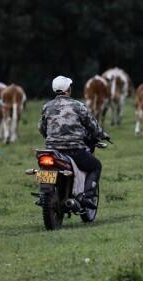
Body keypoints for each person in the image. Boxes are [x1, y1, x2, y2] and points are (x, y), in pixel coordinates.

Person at [38, 75, 107, 208]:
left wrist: (50, 137)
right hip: (75, 151)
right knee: (96, 166)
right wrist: (102, 134)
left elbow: (42, 127)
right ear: (68, 89)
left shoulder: (46, 107)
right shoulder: (79, 106)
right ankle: (87, 196)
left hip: (53, 151)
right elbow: (92, 126)